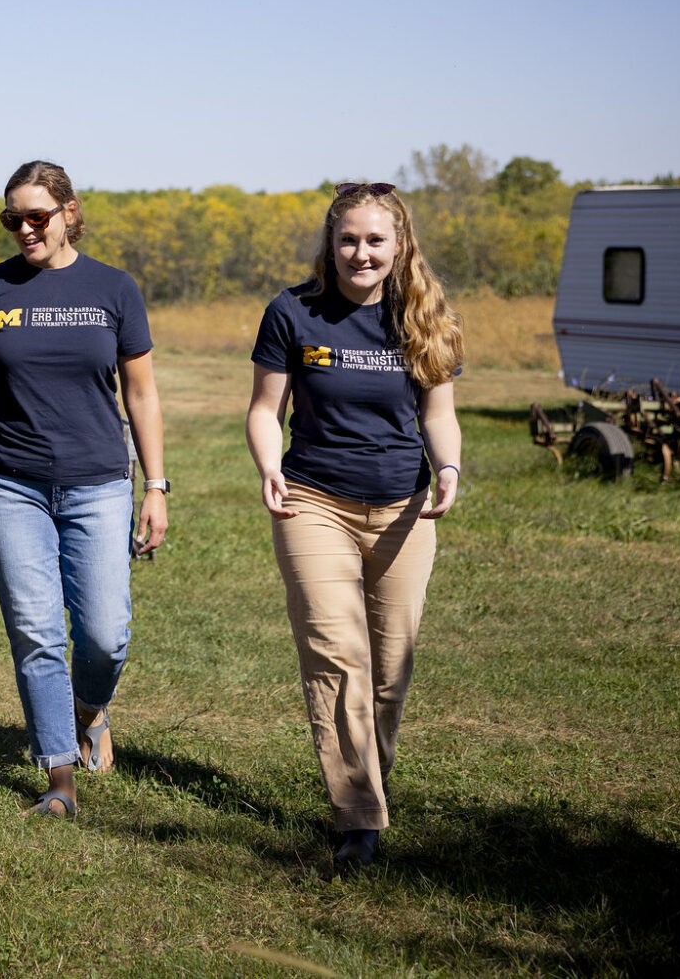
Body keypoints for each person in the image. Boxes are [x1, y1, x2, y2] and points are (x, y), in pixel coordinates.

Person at [245, 182, 462, 873]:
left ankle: (369, 783)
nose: (360, 253)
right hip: (313, 500)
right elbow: (262, 409)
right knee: (338, 657)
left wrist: (449, 467)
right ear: (329, 243)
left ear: (399, 245)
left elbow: (438, 413)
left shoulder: (423, 315)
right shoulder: (293, 312)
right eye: (348, 239)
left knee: (390, 666)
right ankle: (360, 820)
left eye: (374, 240)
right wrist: (266, 464)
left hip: (404, 507)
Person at [0, 160, 168, 819]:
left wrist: (155, 485)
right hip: (9, 484)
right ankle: (59, 780)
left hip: (98, 482)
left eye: (36, 216)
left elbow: (143, 392)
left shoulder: (114, 289)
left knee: (105, 636)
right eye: (12, 218)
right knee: (38, 633)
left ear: (70, 212)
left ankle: (87, 709)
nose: (23, 230)